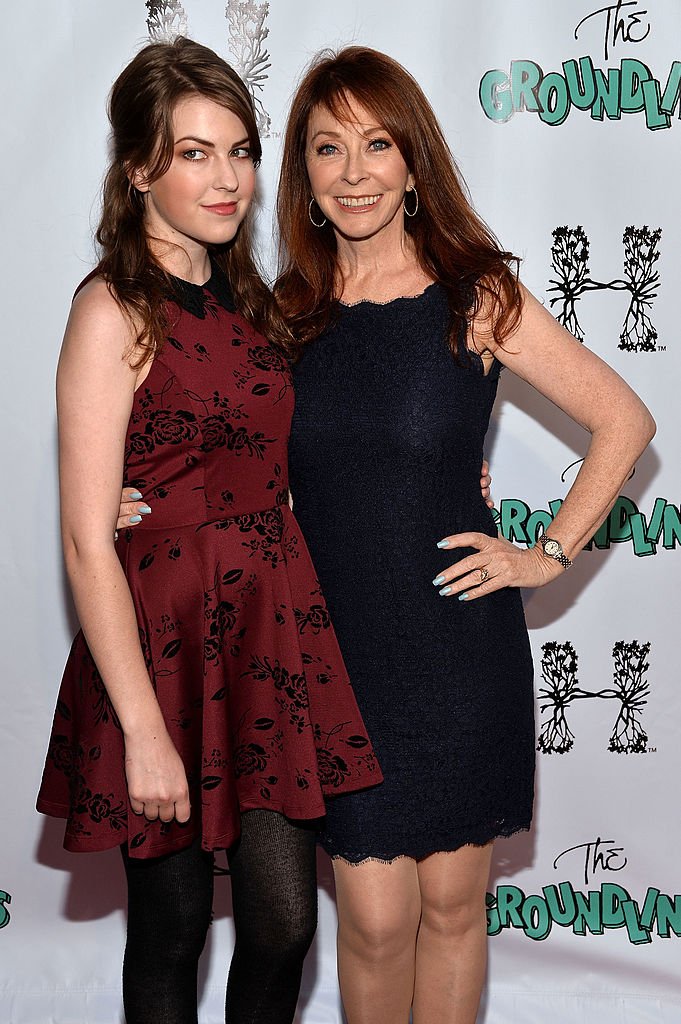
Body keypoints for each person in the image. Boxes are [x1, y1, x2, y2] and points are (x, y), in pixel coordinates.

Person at [114, 44, 655, 1024]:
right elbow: (222, 454)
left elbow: (624, 419)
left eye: (377, 144)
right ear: (307, 177)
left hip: (459, 652)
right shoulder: (282, 316)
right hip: (333, 659)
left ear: (413, 162)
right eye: (329, 148)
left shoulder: (476, 296)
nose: (355, 170)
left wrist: (547, 549)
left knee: (453, 911)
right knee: (367, 922)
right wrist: (134, 500)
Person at [36, 38, 383, 1024]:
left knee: (281, 922)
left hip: (268, 638)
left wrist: (445, 470)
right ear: (141, 168)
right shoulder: (112, 309)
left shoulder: (252, 302)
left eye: (239, 150)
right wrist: (144, 731)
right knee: (173, 925)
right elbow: (82, 540)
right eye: (195, 153)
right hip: (164, 648)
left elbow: (287, 451)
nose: (227, 178)